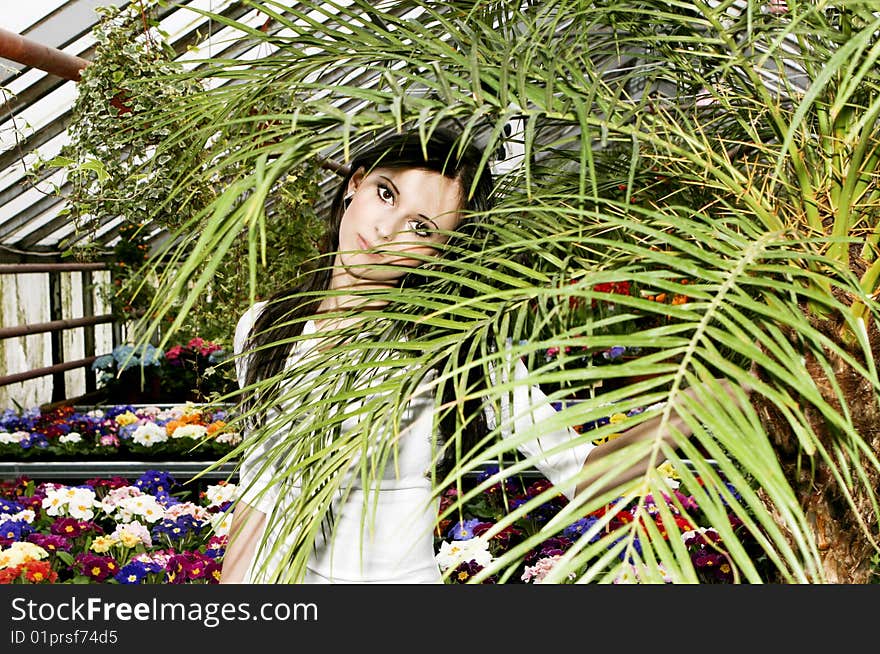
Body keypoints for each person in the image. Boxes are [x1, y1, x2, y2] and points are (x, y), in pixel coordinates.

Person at [218, 126, 738, 584]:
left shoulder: (456, 352)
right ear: (355, 183)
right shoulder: (266, 327)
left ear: (440, 250)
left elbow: (582, 475)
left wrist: (698, 404)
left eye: (421, 227)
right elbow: (260, 495)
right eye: (386, 193)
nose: (385, 230)